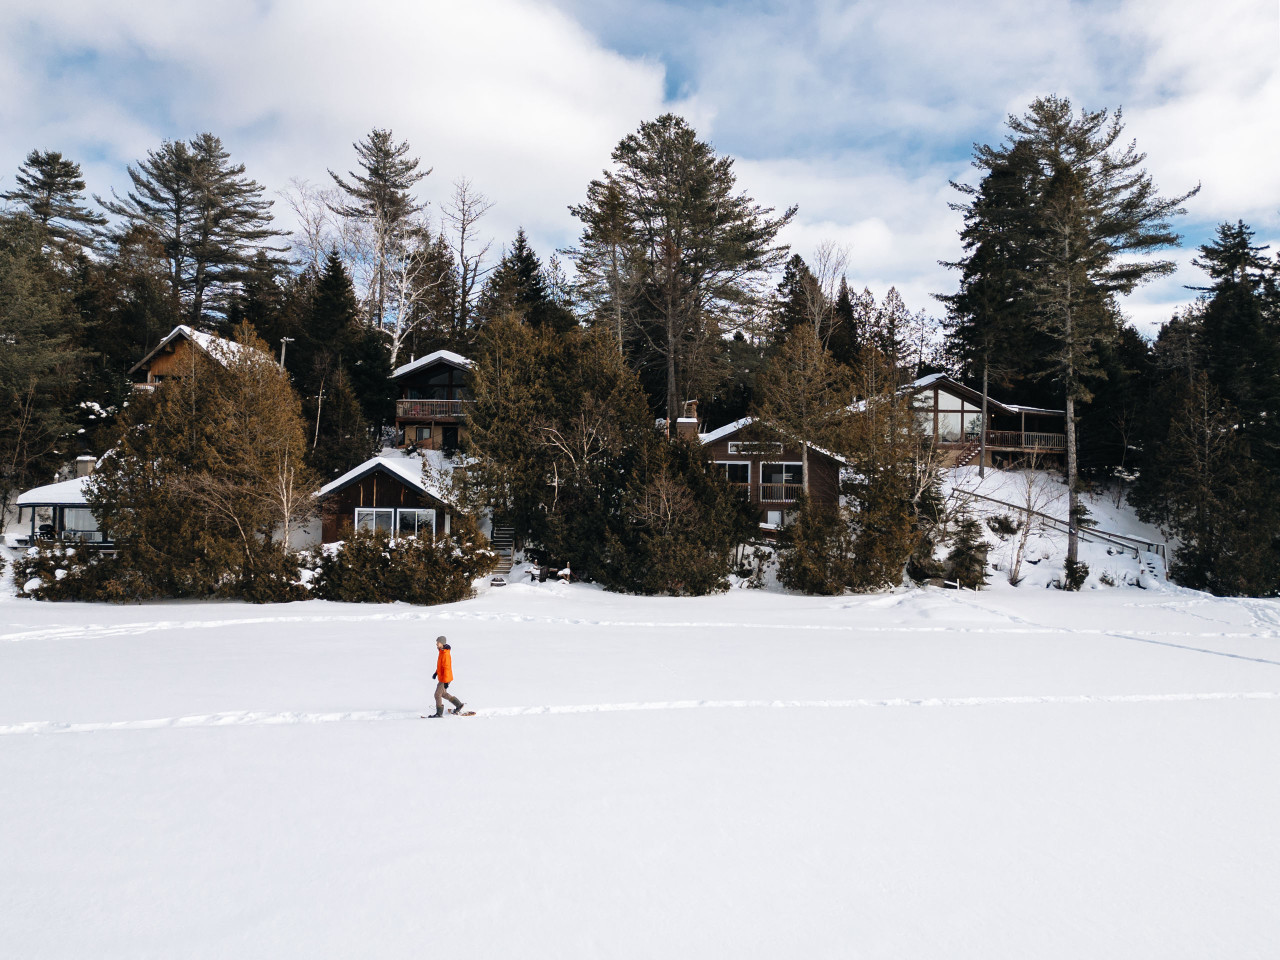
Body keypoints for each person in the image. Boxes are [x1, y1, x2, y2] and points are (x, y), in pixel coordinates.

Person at [429, 635, 465, 718]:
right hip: (443, 677)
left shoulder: (445, 654)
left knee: (437, 694)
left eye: (438, 642)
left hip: (445, 678)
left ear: (442, 643)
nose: (436, 644)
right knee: (443, 694)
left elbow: (447, 668)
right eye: (436, 642)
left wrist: (445, 682)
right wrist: (436, 673)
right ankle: (459, 705)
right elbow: (440, 666)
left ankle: (439, 713)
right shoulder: (441, 652)